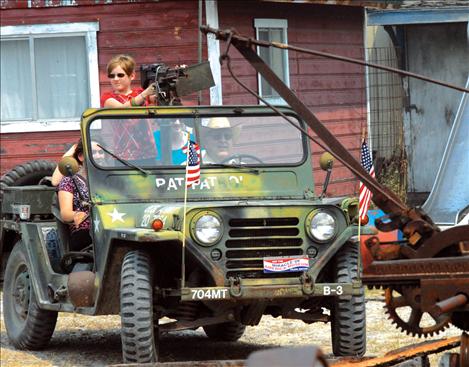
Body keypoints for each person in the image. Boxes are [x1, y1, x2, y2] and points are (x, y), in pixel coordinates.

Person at [57, 139, 92, 252]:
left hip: (112, 226)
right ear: (81, 156)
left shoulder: (109, 179)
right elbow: (65, 213)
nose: (98, 156)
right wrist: (76, 214)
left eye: (101, 153)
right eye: (93, 152)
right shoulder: (69, 180)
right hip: (86, 230)